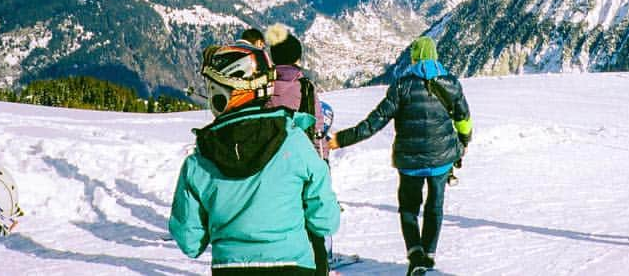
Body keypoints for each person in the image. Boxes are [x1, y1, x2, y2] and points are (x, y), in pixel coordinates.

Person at [169, 42, 340, 275]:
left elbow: (190, 242)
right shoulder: (295, 142)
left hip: (229, 268)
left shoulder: (198, 162)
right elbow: (326, 221)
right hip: (294, 266)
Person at [328, 36, 472, 276]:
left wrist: (341, 139)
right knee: (435, 206)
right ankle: (429, 254)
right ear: (435, 56)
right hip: (441, 159)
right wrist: (463, 143)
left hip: (410, 162)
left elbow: (374, 122)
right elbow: (464, 120)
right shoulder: (452, 84)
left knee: (408, 209)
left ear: (414, 58)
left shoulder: (401, 86)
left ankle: (415, 255)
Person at [264, 23, 332, 276]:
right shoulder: (306, 87)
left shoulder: (262, 87)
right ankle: (319, 268)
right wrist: (321, 162)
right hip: (300, 160)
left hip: (267, 161)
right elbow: (317, 128)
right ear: (297, 58)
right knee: (311, 223)